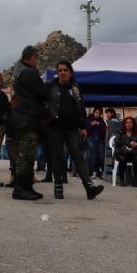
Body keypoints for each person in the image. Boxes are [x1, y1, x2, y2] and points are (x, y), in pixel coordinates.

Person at [47, 60, 103, 200]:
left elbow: (81, 107)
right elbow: (42, 102)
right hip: (55, 128)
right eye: (60, 70)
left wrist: (83, 126)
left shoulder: (76, 87)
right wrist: (46, 117)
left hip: (72, 128)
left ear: (71, 72)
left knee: (78, 156)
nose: (63, 72)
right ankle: (58, 187)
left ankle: (89, 187)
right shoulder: (50, 85)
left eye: (65, 70)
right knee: (58, 157)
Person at [9, 46, 48, 201]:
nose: (36, 61)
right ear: (32, 57)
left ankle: (27, 188)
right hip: (28, 120)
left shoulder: (19, 72)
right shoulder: (30, 72)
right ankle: (20, 189)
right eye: (36, 58)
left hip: (21, 119)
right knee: (26, 156)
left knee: (27, 155)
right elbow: (42, 93)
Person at [114, 116, 137, 186]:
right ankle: (122, 179)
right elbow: (117, 142)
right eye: (127, 122)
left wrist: (136, 145)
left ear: (133, 124)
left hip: (133, 154)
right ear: (124, 124)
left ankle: (135, 180)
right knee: (122, 159)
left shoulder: (136, 133)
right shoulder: (120, 132)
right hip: (122, 153)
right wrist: (129, 143)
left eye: (130, 122)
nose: (128, 124)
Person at [86, 108, 107, 179]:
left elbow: (105, 130)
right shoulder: (89, 120)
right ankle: (94, 172)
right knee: (93, 156)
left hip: (100, 140)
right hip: (91, 139)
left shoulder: (102, 121)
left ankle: (101, 171)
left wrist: (99, 124)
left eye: (98, 112)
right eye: (96, 112)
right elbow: (86, 129)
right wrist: (92, 124)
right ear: (93, 113)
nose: (97, 114)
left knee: (101, 156)